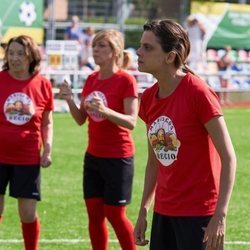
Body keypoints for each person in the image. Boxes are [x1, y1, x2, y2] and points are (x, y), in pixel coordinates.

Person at [133, 19, 236, 250]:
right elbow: (154, 162)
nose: (139, 52)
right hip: (164, 213)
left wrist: (220, 215)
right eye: (141, 45)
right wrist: (143, 211)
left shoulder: (198, 93)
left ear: (170, 56)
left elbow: (229, 158)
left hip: (200, 215)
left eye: (148, 47)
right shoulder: (148, 99)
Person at [59, 29, 138, 250]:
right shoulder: (91, 79)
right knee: (94, 214)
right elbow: (80, 119)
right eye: (94, 45)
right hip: (93, 156)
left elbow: (131, 121)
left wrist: (105, 110)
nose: (95, 49)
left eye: (101, 46)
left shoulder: (126, 80)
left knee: (114, 213)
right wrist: (69, 100)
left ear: (115, 51)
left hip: (118, 158)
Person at [0, 35, 54, 250]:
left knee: (28, 214)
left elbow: (47, 122)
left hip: (28, 158)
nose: (14, 58)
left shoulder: (42, 84)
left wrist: (47, 149)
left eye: (20, 53)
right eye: (11, 53)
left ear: (31, 56)